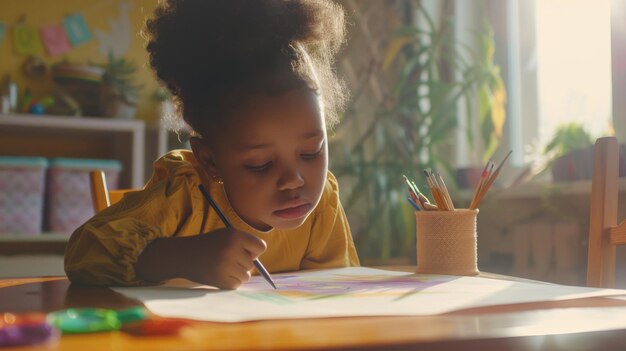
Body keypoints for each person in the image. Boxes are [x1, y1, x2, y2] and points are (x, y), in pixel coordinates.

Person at [64, 0, 360, 289]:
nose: (294, 180)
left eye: (311, 152)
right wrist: (182, 257)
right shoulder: (185, 197)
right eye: (261, 165)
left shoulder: (322, 205)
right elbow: (82, 254)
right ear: (209, 160)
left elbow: (336, 295)